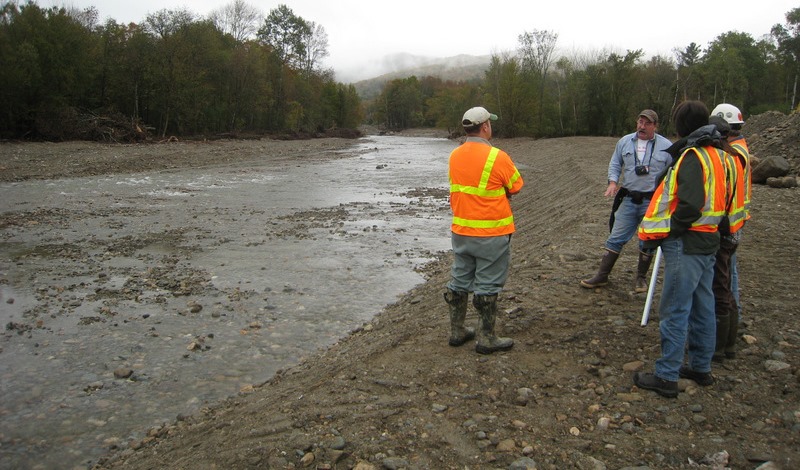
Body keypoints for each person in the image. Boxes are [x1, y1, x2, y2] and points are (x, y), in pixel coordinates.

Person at [633, 100, 729, 398]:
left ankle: (666, 375)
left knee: (675, 309)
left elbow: (689, 203)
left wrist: (670, 230)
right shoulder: (720, 156)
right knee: (704, 306)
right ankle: (700, 367)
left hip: (686, 243)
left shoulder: (692, 156)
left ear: (680, 125)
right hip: (709, 241)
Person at [444, 106, 524, 354]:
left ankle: (457, 331)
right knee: (488, 285)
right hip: (491, 234)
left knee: (459, 278)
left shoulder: (454, 155)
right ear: (486, 126)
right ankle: (486, 338)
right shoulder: (497, 156)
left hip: (461, 232)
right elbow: (516, 186)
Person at [580, 110, 673, 292]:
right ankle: (602, 275)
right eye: (640, 122)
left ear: (655, 126)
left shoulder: (666, 146)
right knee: (615, 237)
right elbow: (615, 163)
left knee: (647, 240)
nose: (642, 126)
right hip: (629, 198)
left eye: (647, 123)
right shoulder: (624, 142)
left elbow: (674, 171)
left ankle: (641, 278)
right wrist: (613, 182)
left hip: (652, 201)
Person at [708, 115, 747, 363]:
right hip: (734, 229)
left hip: (723, 233)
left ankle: (720, 347)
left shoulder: (724, 160)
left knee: (720, 288)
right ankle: (728, 344)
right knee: (725, 286)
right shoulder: (736, 157)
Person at [711, 103, 752, 335]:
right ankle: (731, 325)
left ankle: (726, 331)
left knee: (725, 276)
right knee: (729, 274)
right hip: (736, 220)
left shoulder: (732, 153)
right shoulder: (740, 147)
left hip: (730, 223)